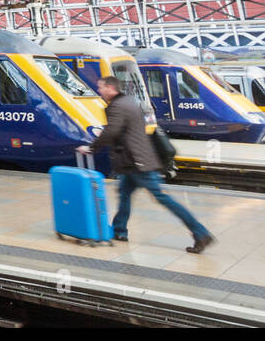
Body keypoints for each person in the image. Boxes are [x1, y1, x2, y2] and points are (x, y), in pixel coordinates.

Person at [78, 75, 214, 253]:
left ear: (111, 89)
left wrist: (91, 147)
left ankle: (200, 232)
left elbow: (112, 131)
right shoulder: (129, 101)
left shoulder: (117, 106)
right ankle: (119, 231)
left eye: (101, 87)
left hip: (136, 162)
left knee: (162, 197)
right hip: (133, 160)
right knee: (124, 193)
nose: (99, 90)